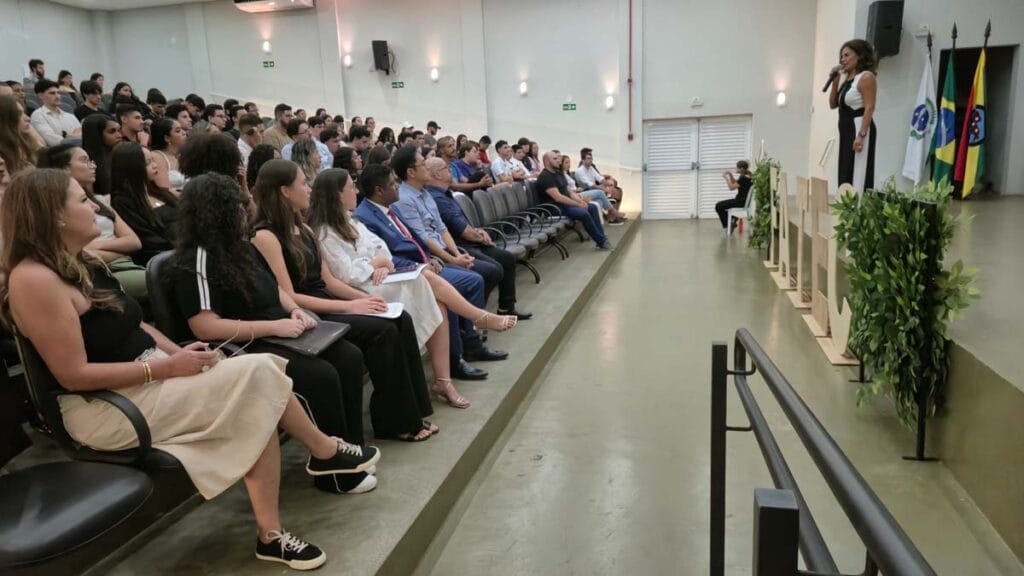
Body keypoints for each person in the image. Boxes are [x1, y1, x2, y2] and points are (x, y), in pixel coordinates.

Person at [2, 168, 379, 571]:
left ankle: (273, 532)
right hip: (104, 409)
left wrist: (178, 353)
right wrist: (166, 369)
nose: (95, 208)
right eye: (82, 200)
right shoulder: (34, 280)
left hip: (147, 376)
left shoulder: (82, 262)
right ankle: (323, 452)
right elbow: (73, 376)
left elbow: (134, 323)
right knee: (259, 374)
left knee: (258, 393)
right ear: (54, 215)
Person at [172, 173, 379, 491]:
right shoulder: (197, 257)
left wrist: (294, 310)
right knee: (320, 376)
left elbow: (277, 289)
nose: (247, 210)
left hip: (278, 330)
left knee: (348, 357)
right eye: (239, 206)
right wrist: (276, 326)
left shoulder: (241, 246)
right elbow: (205, 325)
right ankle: (333, 473)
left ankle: (347, 450)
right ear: (218, 212)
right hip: (247, 343)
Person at [251, 160, 439, 440]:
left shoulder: (304, 229)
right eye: (302, 183)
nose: (309, 189)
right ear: (284, 191)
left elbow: (328, 281)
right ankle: (395, 421)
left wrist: (365, 299)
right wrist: (352, 306)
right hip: (308, 311)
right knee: (383, 331)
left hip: (325, 299)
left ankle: (410, 414)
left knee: (398, 317)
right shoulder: (266, 237)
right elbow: (290, 296)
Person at [311, 169, 481, 408]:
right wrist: (375, 264)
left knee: (437, 300)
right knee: (425, 282)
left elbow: (381, 247)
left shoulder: (351, 220)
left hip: (378, 279)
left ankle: (444, 380)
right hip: (360, 290)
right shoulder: (323, 232)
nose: (356, 191)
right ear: (337, 194)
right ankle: (476, 317)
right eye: (351, 186)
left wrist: (380, 263)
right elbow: (346, 273)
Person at [355, 159, 513, 381]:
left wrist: (432, 257)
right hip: (404, 273)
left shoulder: (389, 208)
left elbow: (416, 238)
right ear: (379, 190)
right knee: (460, 285)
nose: (398, 186)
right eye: (393, 184)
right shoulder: (365, 216)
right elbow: (385, 256)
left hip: (423, 263)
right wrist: (422, 264)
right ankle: (458, 356)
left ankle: (470, 340)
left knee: (475, 278)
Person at [423, 157, 531, 319]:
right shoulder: (437, 198)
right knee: (493, 270)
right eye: (446, 168)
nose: (451, 170)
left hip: (470, 242)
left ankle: (506, 308)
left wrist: (479, 231)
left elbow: (465, 225)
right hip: (462, 246)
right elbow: (463, 231)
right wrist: (480, 237)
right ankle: (474, 318)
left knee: (507, 258)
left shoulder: (445, 194)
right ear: (438, 174)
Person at [37, 144, 148, 299]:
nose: (93, 165)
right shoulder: (58, 209)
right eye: (84, 161)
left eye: (91, 161)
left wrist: (98, 246)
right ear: (64, 169)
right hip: (98, 270)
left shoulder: (99, 201)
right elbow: (77, 254)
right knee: (163, 279)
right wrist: (118, 249)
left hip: (126, 263)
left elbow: (134, 242)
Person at [109, 143, 179, 264]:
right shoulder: (123, 201)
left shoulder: (161, 193)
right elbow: (148, 239)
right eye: (148, 162)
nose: (155, 165)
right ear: (132, 167)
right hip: (165, 257)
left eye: (153, 160)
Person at [537, 151, 612, 250]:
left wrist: (580, 201)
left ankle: (601, 237)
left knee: (592, 207)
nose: (558, 161)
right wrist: (578, 204)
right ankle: (601, 242)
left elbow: (569, 192)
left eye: (558, 158)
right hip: (556, 208)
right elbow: (558, 197)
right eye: (555, 159)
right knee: (584, 213)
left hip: (566, 205)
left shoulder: (558, 173)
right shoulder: (545, 177)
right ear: (547, 162)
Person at [829, 38, 877, 191]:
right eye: (841, 56)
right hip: (846, 130)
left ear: (859, 56)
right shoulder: (848, 80)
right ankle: (845, 201)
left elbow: (870, 107)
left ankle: (858, 203)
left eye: (846, 55)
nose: (842, 60)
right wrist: (835, 82)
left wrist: (861, 135)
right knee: (846, 171)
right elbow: (833, 104)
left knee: (858, 173)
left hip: (858, 128)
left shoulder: (866, 77)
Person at [562, 155, 625, 224]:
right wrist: (576, 190)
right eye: (566, 162)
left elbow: (599, 178)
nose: (569, 164)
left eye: (569, 162)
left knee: (601, 200)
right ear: (583, 160)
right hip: (581, 193)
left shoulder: (567, 174)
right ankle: (613, 212)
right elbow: (567, 190)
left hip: (582, 192)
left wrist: (608, 184)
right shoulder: (576, 172)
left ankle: (606, 221)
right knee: (600, 193)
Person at [30, 80, 83, 146]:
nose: (57, 96)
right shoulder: (38, 115)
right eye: (52, 93)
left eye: (58, 93)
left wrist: (67, 136)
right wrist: (73, 137)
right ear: (41, 96)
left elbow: (84, 137)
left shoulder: (70, 116)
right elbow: (52, 141)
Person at [80, 114, 120, 197]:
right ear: (96, 135)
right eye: (112, 131)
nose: (119, 135)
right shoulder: (87, 164)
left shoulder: (120, 154)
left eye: (118, 130)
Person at [0, 95, 40, 173]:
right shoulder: (2, 157)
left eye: (24, 113)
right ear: (5, 119)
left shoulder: (26, 145)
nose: (27, 118)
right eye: (19, 114)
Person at [150, 118, 187, 193]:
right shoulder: (157, 156)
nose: (184, 133)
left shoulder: (181, 156)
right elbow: (164, 191)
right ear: (167, 138)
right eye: (178, 131)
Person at [715, 160, 753, 230]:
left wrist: (726, 178)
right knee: (720, 206)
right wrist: (730, 175)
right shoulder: (746, 177)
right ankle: (732, 220)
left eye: (737, 167)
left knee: (718, 206)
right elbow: (735, 183)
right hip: (741, 201)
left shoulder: (744, 178)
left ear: (741, 169)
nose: (736, 169)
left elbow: (731, 187)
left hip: (740, 202)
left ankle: (728, 225)